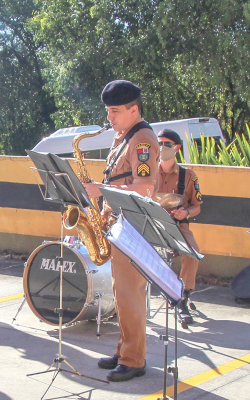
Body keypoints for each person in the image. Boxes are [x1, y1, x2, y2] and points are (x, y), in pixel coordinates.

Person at [83, 80, 159, 382]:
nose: (109, 118)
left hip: (133, 225)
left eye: (114, 112)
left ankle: (133, 359)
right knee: (121, 293)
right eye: (107, 112)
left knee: (130, 294)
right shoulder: (124, 136)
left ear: (134, 110)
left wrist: (99, 189)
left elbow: (145, 188)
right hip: (118, 221)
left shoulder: (141, 141)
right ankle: (124, 349)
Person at [154, 129, 202, 325]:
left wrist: (186, 213)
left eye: (167, 144)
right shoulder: (146, 171)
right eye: (159, 143)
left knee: (193, 252)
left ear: (177, 148)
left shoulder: (188, 175)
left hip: (177, 225)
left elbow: (197, 206)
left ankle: (183, 296)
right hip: (152, 223)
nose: (161, 148)